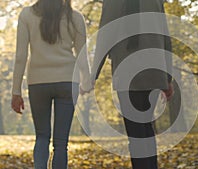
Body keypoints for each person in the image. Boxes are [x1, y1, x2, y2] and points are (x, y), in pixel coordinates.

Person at [91, 0, 174, 168]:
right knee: (147, 129)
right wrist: (167, 77)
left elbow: (105, 34)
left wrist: (93, 74)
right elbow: (165, 37)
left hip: (126, 70)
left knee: (136, 132)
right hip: (153, 69)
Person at [11, 0, 92, 168]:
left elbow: (20, 56)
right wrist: (86, 80)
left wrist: (16, 91)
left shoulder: (27, 15)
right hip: (68, 82)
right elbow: (82, 55)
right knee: (61, 143)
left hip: (38, 83)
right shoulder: (75, 17)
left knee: (42, 136)